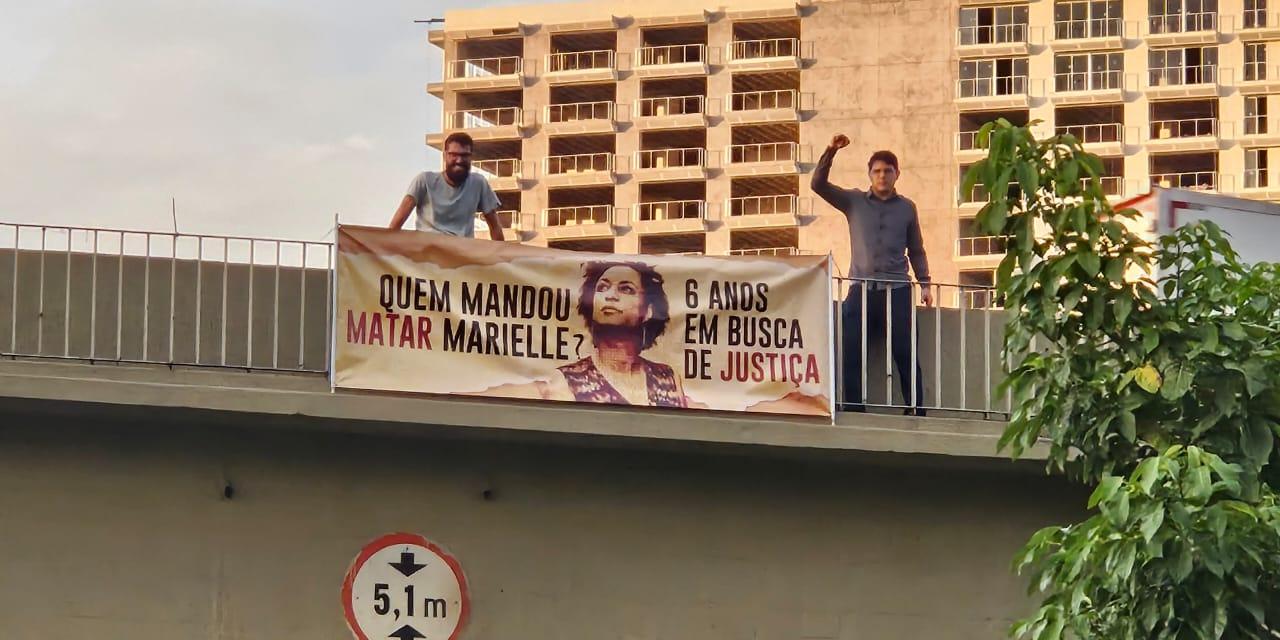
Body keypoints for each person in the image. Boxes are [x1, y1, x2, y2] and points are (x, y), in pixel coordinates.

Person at [811, 134, 932, 416]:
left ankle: (915, 408)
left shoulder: (906, 208)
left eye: (887, 171)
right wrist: (831, 150)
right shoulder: (853, 201)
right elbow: (817, 185)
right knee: (852, 351)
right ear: (869, 174)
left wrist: (925, 283)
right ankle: (854, 408)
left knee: (905, 351)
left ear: (896, 174)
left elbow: (916, 248)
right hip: (861, 289)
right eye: (876, 171)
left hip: (898, 290)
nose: (882, 176)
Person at [537, 260, 687, 407]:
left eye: (626, 289)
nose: (610, 295)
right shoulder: (566, 380)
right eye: (602, 287)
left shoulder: (668, 377)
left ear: (648, 311)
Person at [387, 132, 506, 240]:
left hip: (461, 255)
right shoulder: (424, 181)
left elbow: (495, 227)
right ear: (445, 155)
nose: (459, 160)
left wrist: (503, 259)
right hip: (427, 253)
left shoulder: (479, 183)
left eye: (464, 155)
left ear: (470, 157)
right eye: (454, 155)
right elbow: (395, 225)